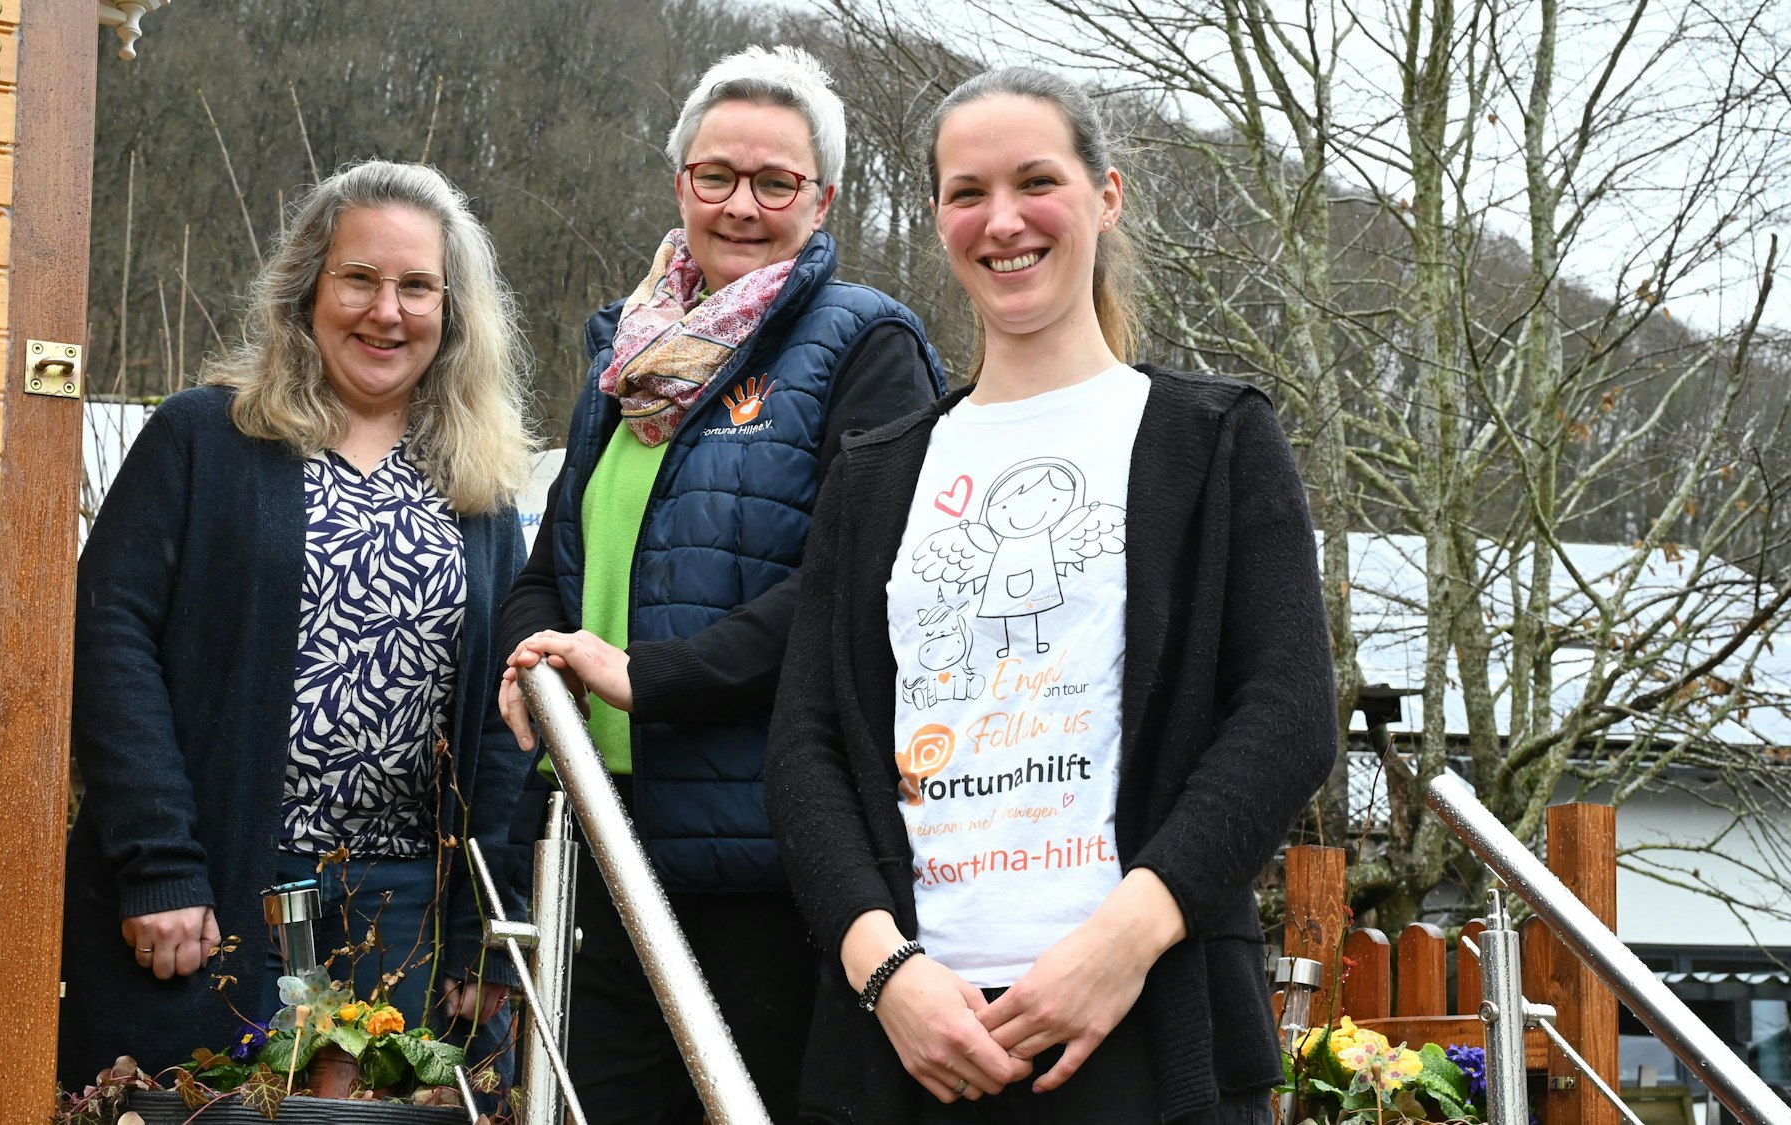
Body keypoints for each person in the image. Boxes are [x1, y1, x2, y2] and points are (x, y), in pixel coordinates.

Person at [764, 68, 1338, 1123]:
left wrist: (1121, 944)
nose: (1002, 221)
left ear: (1105, 196)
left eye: (1036, 181)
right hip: (908, 1051)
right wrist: (884, 972)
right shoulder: (874, 474)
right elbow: (804, 746)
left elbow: (1287, 715)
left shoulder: (1214, 438)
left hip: (1149, 1039)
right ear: (937, 217)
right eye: (966, 192)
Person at [495, 44, 944, 1125]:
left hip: (764, 859)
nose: (741, 204)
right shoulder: (625, 358)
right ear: (680, 184)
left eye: (775, 182)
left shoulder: (866, 344)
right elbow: (557, 563)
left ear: (822, 200)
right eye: (716, 175)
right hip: (605, 836)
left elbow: (861, 588)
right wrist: (532, 653)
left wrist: (651, 676)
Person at [59, 159, 534, 1084]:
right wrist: (159, 863)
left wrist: (483, 923)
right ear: (307, 287)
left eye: (417, 286)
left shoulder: (480, 487)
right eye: (358, 278)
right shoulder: (204, 438)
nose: (385, 311)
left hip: (405, 910)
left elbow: (501, 721)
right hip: (218, 889)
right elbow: (110, 642)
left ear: (452, 312)